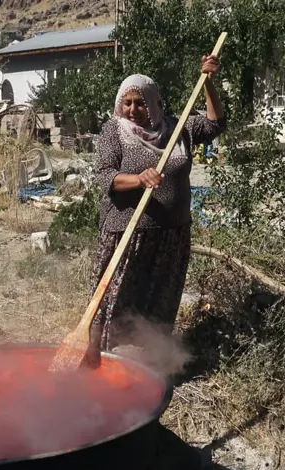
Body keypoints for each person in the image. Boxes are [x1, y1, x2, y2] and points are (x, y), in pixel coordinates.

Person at [89, 55, 227, 352]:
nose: (133, 110)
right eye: (127, 103)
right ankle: (101, 357)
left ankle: (149, 360)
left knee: (158, 300)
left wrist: (209, 84)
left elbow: (216, 124)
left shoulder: (179, 129)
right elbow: (104, 177)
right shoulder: (114, 131)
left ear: (155, 102)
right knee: (116, 299)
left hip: (171, 235)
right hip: (128, 234)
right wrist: (139, 179)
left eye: (140, 102)